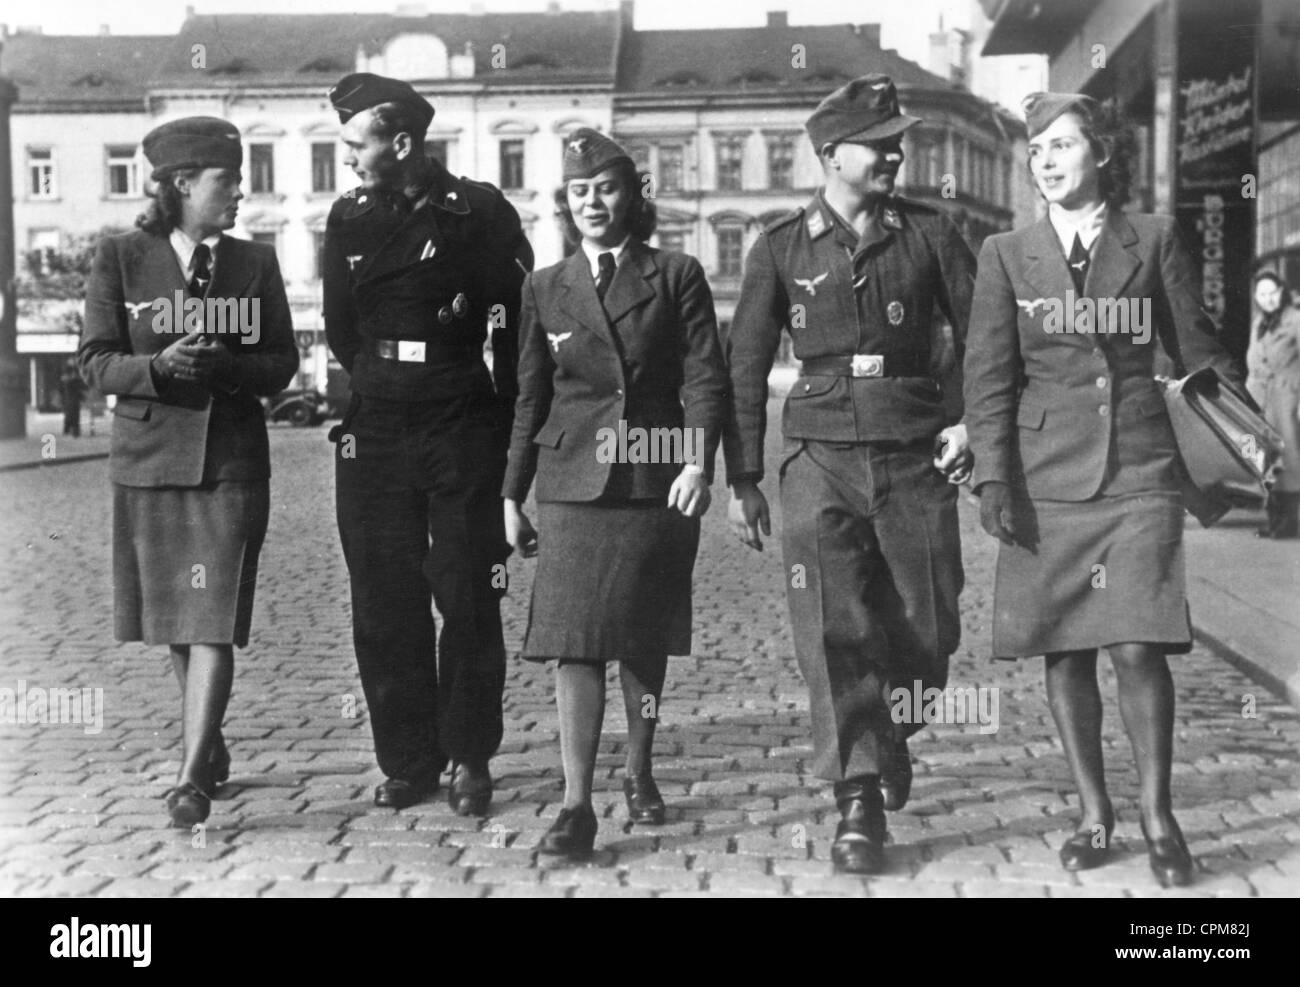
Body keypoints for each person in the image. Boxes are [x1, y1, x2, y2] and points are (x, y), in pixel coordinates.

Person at [964, 93, 1245, 888]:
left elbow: (1200, 351)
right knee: (1067, 645)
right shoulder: (1006, 253)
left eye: (1063, 146)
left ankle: (1159, 814)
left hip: (1138, 467)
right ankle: (1094, 812)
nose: (1047, 162)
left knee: (1137, 640)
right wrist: (993, 473)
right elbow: (988, 376)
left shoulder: (1152, 237)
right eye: (1037, 150)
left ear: (1104, 153)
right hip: (1046, 473)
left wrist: (1252, 440)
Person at [725, 75, 975, 875]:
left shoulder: (932, 235)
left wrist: (969, 417)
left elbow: (986, 334)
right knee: (834, 625)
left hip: (913, 447)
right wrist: (744, 476)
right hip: (820, 451)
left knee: (930, 618)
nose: (897, 153)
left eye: (900, 140)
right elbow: (745, 365)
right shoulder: (779, 245)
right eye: (881, 142)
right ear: (832, 154)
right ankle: (858, 796)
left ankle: (892, 727)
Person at [502, 130, 727, 858]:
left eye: (605, 187)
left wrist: (697, 462)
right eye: (578, 192)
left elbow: (703, 377)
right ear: (565, 205)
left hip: (653, 475)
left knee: (641, 632)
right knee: (573, 639)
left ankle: (639, 765)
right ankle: (574, 804)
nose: (592, 202)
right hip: (571, 480)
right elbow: (529, 396)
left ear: (631, 195)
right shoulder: (544, 285)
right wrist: (512, 493)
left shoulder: (676, 274)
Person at [78, 117, 298, 827]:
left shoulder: (254, 263)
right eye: (226, 180)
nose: (240, 191)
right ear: (181, 185)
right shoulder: (120, 257)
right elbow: (93, 361)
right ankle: (211, 747)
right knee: (178, 614)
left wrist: (226, 365)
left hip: (231, 461)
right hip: (150, 460)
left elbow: (281, 362)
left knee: (213, 619)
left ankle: (189, 776)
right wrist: (156, 368)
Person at [323, 73, 533, 815]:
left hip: (459, 417)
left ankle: (470, 753)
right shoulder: (347, 219)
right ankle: (409, 759)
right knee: (383, 599)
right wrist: (379, 381)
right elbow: (343, 328)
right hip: (376, 422)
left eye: (356, 142)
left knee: (470, 590)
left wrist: (510, 441)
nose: (345, 156)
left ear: (402, 142)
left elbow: (514, 327)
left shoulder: (477, 212)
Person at [1246, 271, 1300, 538]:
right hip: (1262, 400)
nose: (1268, 299)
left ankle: (1289, 523)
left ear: (1282, 291)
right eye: (1262, 294)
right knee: (1266, 463)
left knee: (1289, 463)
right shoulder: (1259, 323)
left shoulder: (1296, 320)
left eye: (1272, 293)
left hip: (1288, 400)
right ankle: (1274, 519)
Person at [59, 359, 85, 437]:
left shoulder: (72, 374)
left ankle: (70, 431)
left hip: (70, 399)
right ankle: (73, 431)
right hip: (71, 398)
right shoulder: (71, 375)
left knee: (70, 415)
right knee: (72, 415)